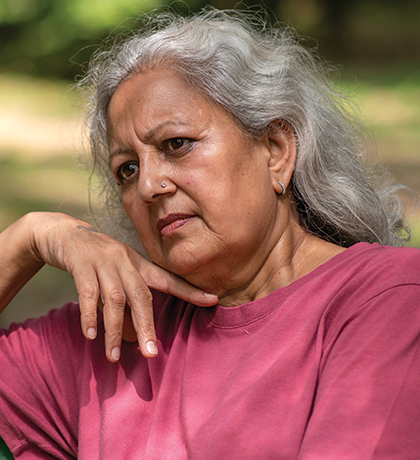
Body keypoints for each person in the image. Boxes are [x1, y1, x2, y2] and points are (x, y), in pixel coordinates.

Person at [1, 8, 420, 459]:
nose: (147, 186)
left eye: (176, 145)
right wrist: (32, 236)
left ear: (276, 150)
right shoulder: (114, 336)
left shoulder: (387, 296)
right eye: (127, 169)